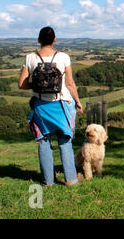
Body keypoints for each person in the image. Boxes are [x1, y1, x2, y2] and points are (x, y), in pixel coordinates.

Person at [18, 26, 83, 186]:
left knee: (43, 141)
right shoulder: (63, 57)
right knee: (64, 142)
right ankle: (71, 179)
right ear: (54, 39)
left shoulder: (30, 58)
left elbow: (21, 84)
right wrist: (78, 101)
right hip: (61, 104)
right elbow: (69, 83)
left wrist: (38, 86)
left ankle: (47, 181)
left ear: (39, 40)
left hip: (40, 106)